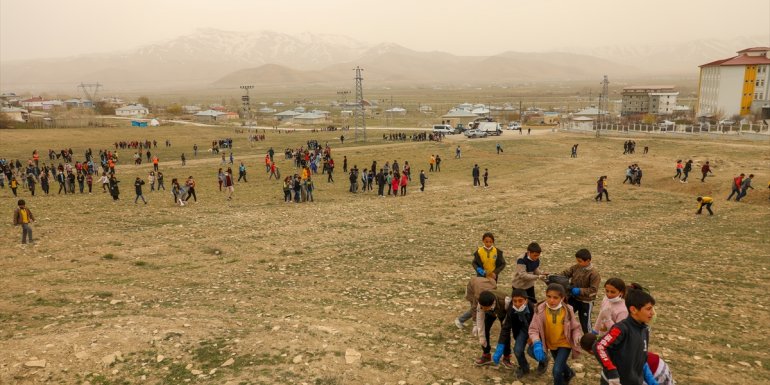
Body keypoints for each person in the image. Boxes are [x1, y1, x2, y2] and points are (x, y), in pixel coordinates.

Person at [594, 288, 656, 385]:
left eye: (652, 308)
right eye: (648, 309)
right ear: (633, 310)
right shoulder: (621, 329)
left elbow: (641, 359)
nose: (652, 313)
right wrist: (611, 371)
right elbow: (599, 346)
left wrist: (650, 380)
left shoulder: (645, 330)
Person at [527, 283, 582, 384]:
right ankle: (569, 373)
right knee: (559, 364)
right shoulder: (539, 309)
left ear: (562, 298)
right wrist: (537, 342)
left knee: (556, 371)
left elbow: (575, 328)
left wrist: (577, 337)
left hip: (564, 343)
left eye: (555, 297)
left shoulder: (568, 310)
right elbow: (533, 329)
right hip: (551, 344)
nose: (551, 300)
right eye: (549, 296)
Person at [581, 333, 674, 385]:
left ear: (591, 351)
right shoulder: (611, 343)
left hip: (655, 371)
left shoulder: (612, 361)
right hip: (658, 363)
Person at [493, 289, 535, 376]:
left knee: (534, 351)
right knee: (517, 350)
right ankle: (524, 368)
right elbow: (506, 328)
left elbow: (539, 325)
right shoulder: (511, 309)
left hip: (535, 331)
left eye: (520, 301)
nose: (517, 304)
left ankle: (543, 362)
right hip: (522, 330)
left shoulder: (533, 308)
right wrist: (500, 345)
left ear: (526, 300)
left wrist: (533, 337)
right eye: (514, 301)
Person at [559, 248, 601, 333]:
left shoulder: (594, 274)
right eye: (577, 261)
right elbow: (565, 274)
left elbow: (593, 290)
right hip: (573, 298)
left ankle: (590, 342)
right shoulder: (576, 267)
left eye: (580, 261)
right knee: (565, 317)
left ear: (588, 260)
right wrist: (556, 277)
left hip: (586, 302)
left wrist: (579, 290)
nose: (578, 263)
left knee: (586, 324)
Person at [474, 289, 510, 366]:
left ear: (492, 303)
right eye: (482, 307)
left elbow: (509, 315)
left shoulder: (506, 301)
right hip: (490, 313)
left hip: (504, 312)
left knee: (505, 333)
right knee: (485, 329)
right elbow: (480, 319)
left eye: (485, 308)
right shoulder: (481, 303)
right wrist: (481, 337)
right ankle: (486, 355)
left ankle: (507, 357)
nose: (483, 309)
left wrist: (504, 324)